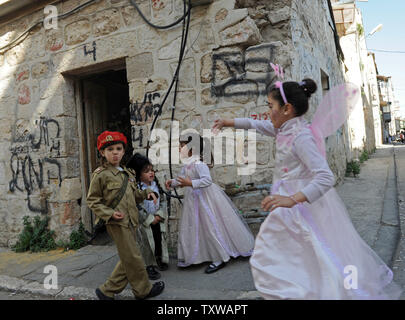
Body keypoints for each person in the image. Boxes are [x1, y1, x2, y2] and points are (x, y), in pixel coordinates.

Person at [212, 79, 402, 299]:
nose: (268, 112)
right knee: (296, 256)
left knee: (298, 253)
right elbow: (257, 124)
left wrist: (292, 199)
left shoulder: (301, 136)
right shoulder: (284, 128)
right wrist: (227, 122)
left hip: (300, 207)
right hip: (286, 205)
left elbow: (325, 177)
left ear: (286, 109)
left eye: (270, 106)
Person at [86, 131, 165, 300]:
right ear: (102, 153)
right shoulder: (101, 175)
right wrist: (110, 213)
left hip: (132, 221)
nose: (115, 152)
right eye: (110, 149)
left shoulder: (127, 173)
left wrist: (147, 193)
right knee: (134, 257)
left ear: (123, 151)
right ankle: (143, 290)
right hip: (117, 222)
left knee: (129, 257)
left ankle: (106, 290)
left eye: (118, 148)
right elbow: (92, 200)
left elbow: (134, 196)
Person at [165, 132, 255, 274]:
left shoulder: (200, 164)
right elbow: (182, 179)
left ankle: (219, 257)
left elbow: (207, 180)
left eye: (181, 146)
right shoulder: (187, 165)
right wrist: (173, 183)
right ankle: (198, 255)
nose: (179, 149)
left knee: (211, 226)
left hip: (205, 199)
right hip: (193, 201)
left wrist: (190, 183)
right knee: (197, 227)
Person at [127, 153, 170, 281]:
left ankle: (160, 258)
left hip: (157, 218)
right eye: (146, 171)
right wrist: (149, 219)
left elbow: (163, 201)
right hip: (144, 222)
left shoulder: (157, 186)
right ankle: (148, 265)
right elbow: (136, 206)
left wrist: (159, 215)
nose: (151, 173)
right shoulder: (137, 189)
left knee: (158, 240)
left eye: (152, 170)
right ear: (138, 174)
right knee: (145, 244)